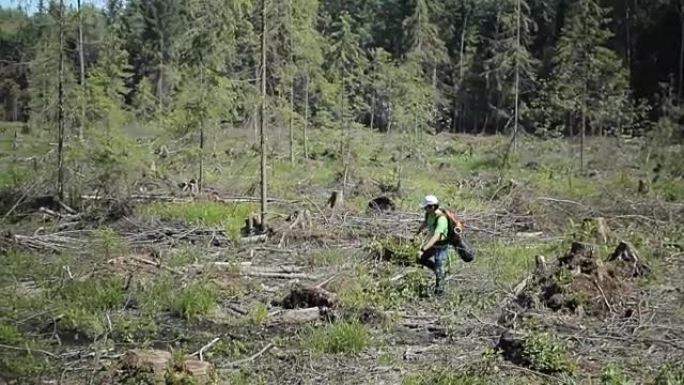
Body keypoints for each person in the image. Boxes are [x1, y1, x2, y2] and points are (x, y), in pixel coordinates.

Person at [415, 195, 449, 296]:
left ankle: (439, 293)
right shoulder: (429, 214)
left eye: (426, 207)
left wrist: (423, 249)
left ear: (432, 207)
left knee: (439, 268)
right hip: (432, 244)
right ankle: (437, 271)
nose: (425, 209)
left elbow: (436, 237)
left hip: (441, 245)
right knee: (420, 259)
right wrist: (418, 232)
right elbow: (426, 223)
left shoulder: (441, 219)